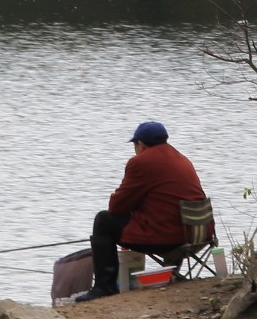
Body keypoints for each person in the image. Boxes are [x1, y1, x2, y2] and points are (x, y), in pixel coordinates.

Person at [73, 121, 207, 302]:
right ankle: (172, 273)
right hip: (197, 236)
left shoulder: (140, 162)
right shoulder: (182, 160)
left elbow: (117, 207)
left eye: (135, 145)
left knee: (104, 220)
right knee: (159, 219)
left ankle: (104, 287)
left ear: (141, 145)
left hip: (169, 240)